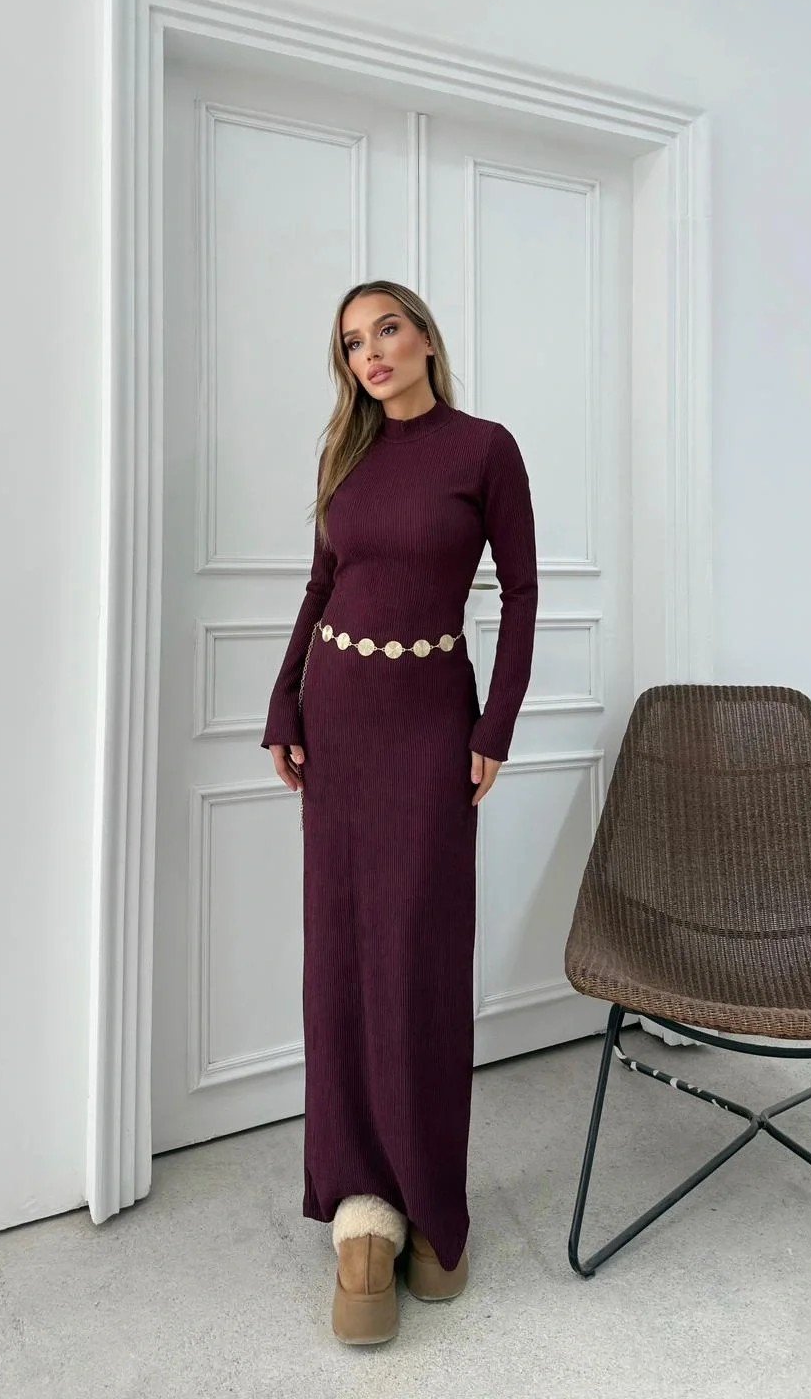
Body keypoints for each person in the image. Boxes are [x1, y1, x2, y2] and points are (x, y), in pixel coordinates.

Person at [261, 280, 538, 1344]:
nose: (370, 353)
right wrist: (283, 699)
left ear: (424, 336)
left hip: (430, 726)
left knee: (420, 954)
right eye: (351, 343)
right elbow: (319, 586)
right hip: (338, 721)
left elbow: (521, 591)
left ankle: (431, 1199)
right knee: (339, 956)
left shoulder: (484, 449)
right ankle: (361, 1212)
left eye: (386, 330)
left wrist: (494, 724)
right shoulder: (346, 452)